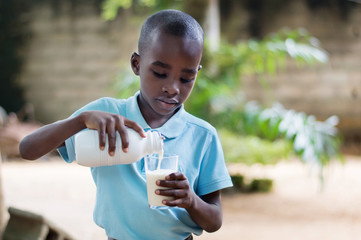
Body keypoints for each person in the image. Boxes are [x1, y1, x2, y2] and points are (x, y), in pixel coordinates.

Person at [19, 9, 233, 240]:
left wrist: (190, 200)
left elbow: (214, 221)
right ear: (136, 64)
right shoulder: (105, 116)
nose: (172, 88)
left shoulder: (203, 136)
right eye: (160, 73)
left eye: (186, 78)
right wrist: (80, 121)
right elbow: (27, 149)